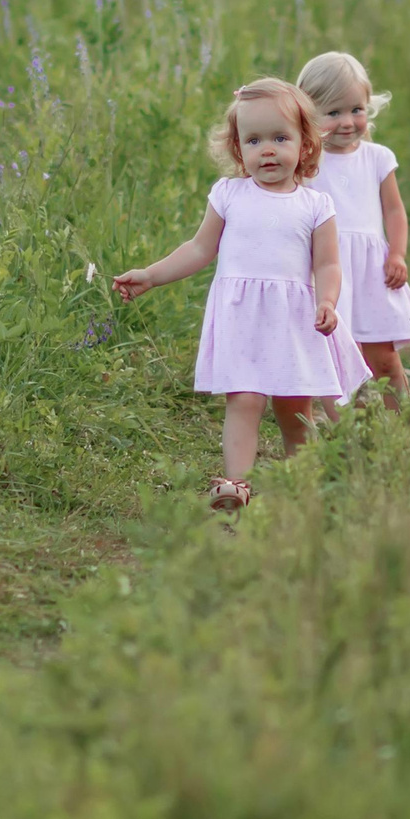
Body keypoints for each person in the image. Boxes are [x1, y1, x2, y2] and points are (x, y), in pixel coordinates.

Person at [112, 78, 364, 512]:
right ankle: (235, 484)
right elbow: (198, 248)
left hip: (293, 321)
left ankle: (302, 480)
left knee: (293, 405)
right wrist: (152, 275)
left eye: (280, 138)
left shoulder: (316, 205)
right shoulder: (229, 195)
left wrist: (327, 300)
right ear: (237, 149)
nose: (267, 150)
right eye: (254, 140)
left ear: (305, 145)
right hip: (242, 319)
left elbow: (327, 264)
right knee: (244, 400)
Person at [298, 50, 410, 409]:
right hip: (327, 270)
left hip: (371, 272)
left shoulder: (377, 158)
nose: (347, 121)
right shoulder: (307, 163)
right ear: (308, 114)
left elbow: (394, 210)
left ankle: (404, 426)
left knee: (382, 356)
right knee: (334, 357)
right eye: (333, 112)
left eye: (357, 109)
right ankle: (349, 434)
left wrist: (397, 253)